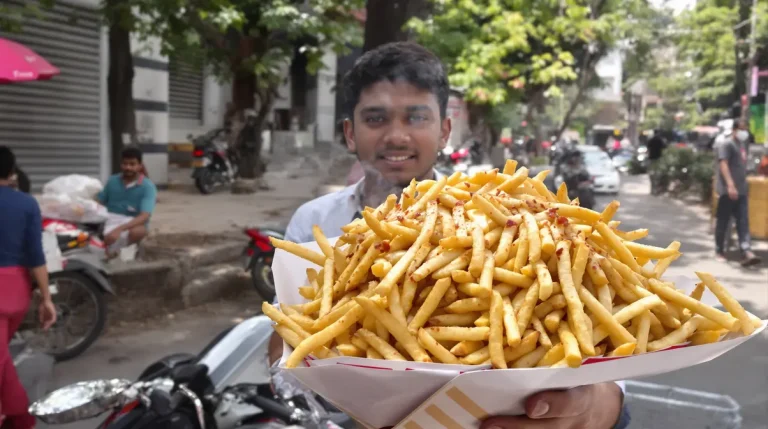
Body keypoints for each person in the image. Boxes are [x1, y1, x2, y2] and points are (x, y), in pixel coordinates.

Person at [269, 42, 630, 429]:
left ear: (444, 131)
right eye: (375, 119)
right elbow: (285, 340)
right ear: (350, 133)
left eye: (416, 118)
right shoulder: (316, 221)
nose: (396, 136)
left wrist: (596, 409)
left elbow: (605, 353)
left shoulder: (495, 212)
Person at [0, 146, 57, 429]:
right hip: (16, 293)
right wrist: (46, 299)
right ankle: (19, 417)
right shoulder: (27, 204)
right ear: (11, 173)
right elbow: (36, 256)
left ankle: (19, 417)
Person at [714, 120, 761, 266]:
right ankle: (720, 250)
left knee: (742, 222)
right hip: (728, 190)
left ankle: (746, 251)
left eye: (745, 129)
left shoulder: (741, 145)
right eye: (742, 129)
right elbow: (723, 164)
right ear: (734, 129)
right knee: (723, 222)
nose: (744, 132)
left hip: (741, 190)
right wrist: (730, 185)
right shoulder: (726, 144)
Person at [97, 147, 157, 257]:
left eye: (132, 164)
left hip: (133, 222)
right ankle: (108, 252)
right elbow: (100, 202)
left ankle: (123, 254)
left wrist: (119, 230)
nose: (128, 167)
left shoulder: (148, 186)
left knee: (138, 232)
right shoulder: (112, 181)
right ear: (121, 165)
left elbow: (144, 216)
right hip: (110, 218)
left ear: (140, 166)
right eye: (125, 164)